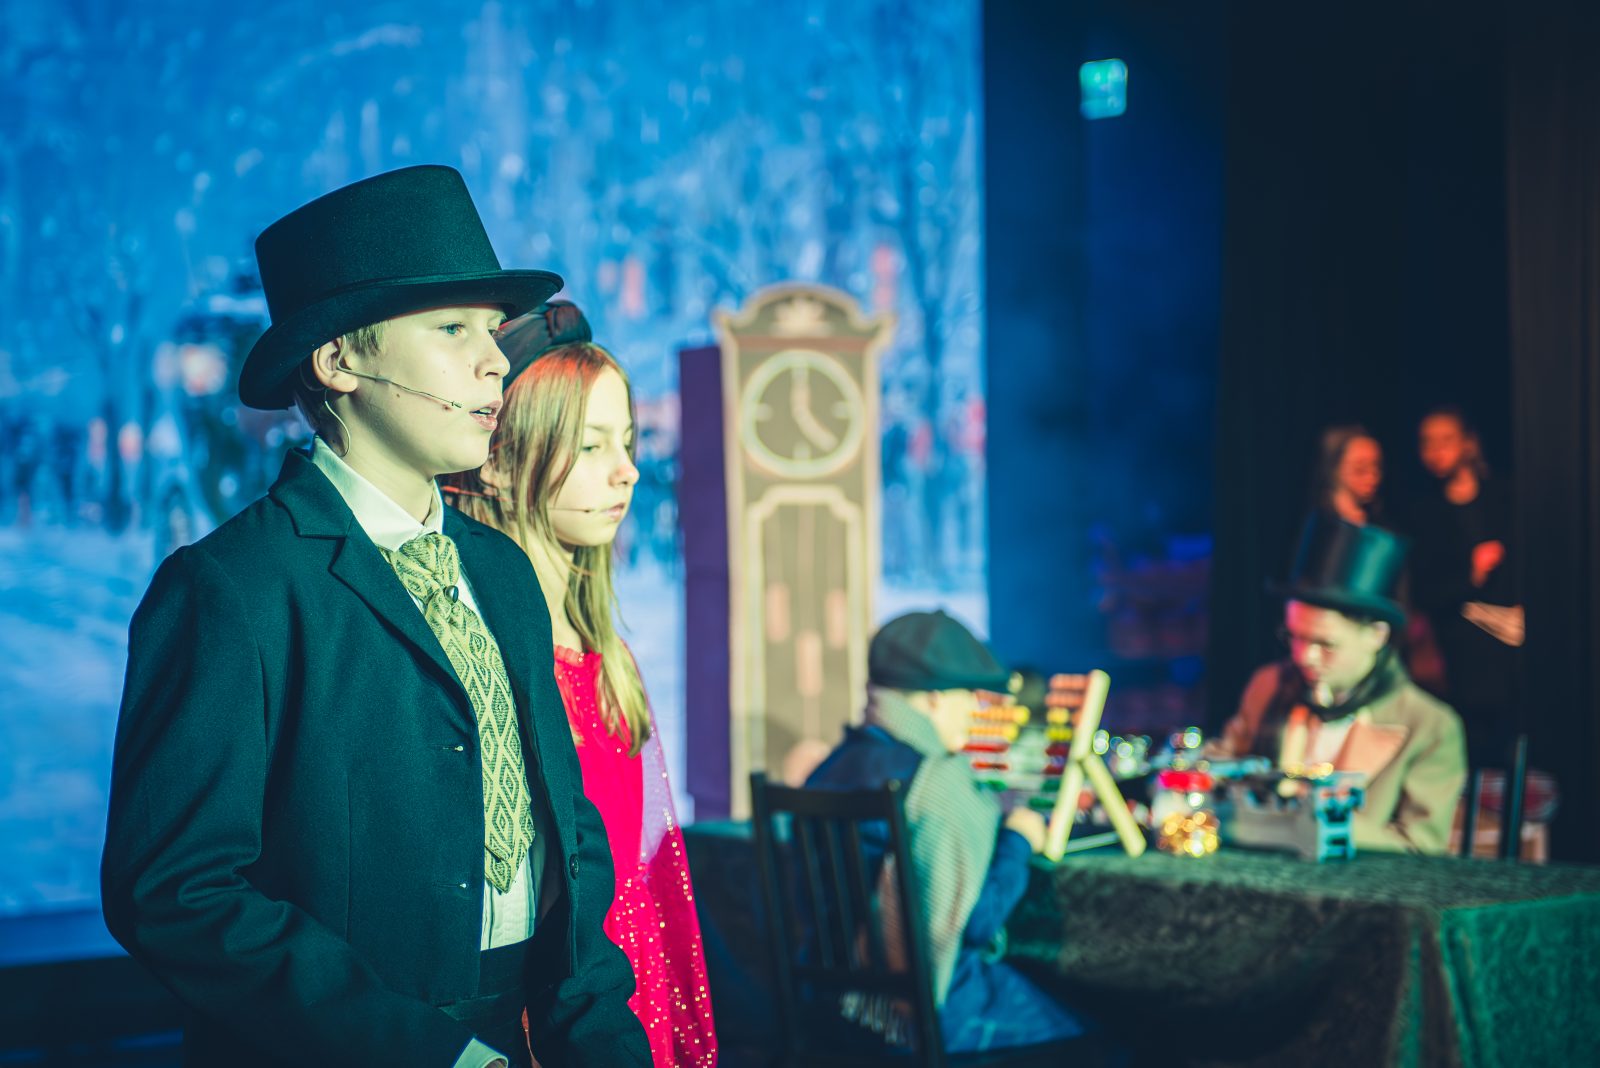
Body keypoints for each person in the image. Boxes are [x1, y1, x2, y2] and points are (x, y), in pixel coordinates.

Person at [101, 166, 650, 1068]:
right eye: (452, 328)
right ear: (339, 360)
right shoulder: (232, 588)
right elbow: (175, 890)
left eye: (491, 330)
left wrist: (601, 1042)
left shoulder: (502, 571)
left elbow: (569, 837)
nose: (494, 361)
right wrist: (429, 1052)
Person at [449, 300, 718, 1066]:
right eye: (591, 444)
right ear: (500, 461)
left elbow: (655, 875)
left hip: (628, 995)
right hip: (548, 1013)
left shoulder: (609, 657)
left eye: (626, 442)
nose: (626, 469)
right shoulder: (490, 656)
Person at [804, 610, 1099, 1055]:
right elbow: (977, 923)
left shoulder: (829, 768)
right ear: (934, 699)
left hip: (829, 1008)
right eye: (969, 696)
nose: (977, 710)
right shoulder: (938, 780)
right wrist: (1018, 839)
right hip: (926, 1013)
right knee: (1102, 1040)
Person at [1218, 513, 1468, 854]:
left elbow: (1421, 844)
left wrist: (1310, 823)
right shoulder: (1268, 686)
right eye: (1295, 637)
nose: (1304, 656)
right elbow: (1226, 762)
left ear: (1376, 636)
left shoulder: (1430, 725)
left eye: (1325, 644)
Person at [1406, 405, 1520, 765]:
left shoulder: (1506, 497)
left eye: (1446, 440)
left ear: (1468, 443)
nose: (1437, 452)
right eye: (1428, 443)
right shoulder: (1423, 514)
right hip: (1461, 657)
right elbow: (1424, 591)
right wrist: (1469, 574)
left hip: (1514, 645)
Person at [1311, 424, 1384, 526]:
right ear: (1335, 468)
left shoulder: (1378, 521)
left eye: (1377, 468)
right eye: (1360, 469)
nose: (1372, 477)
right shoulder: (1320, 520)